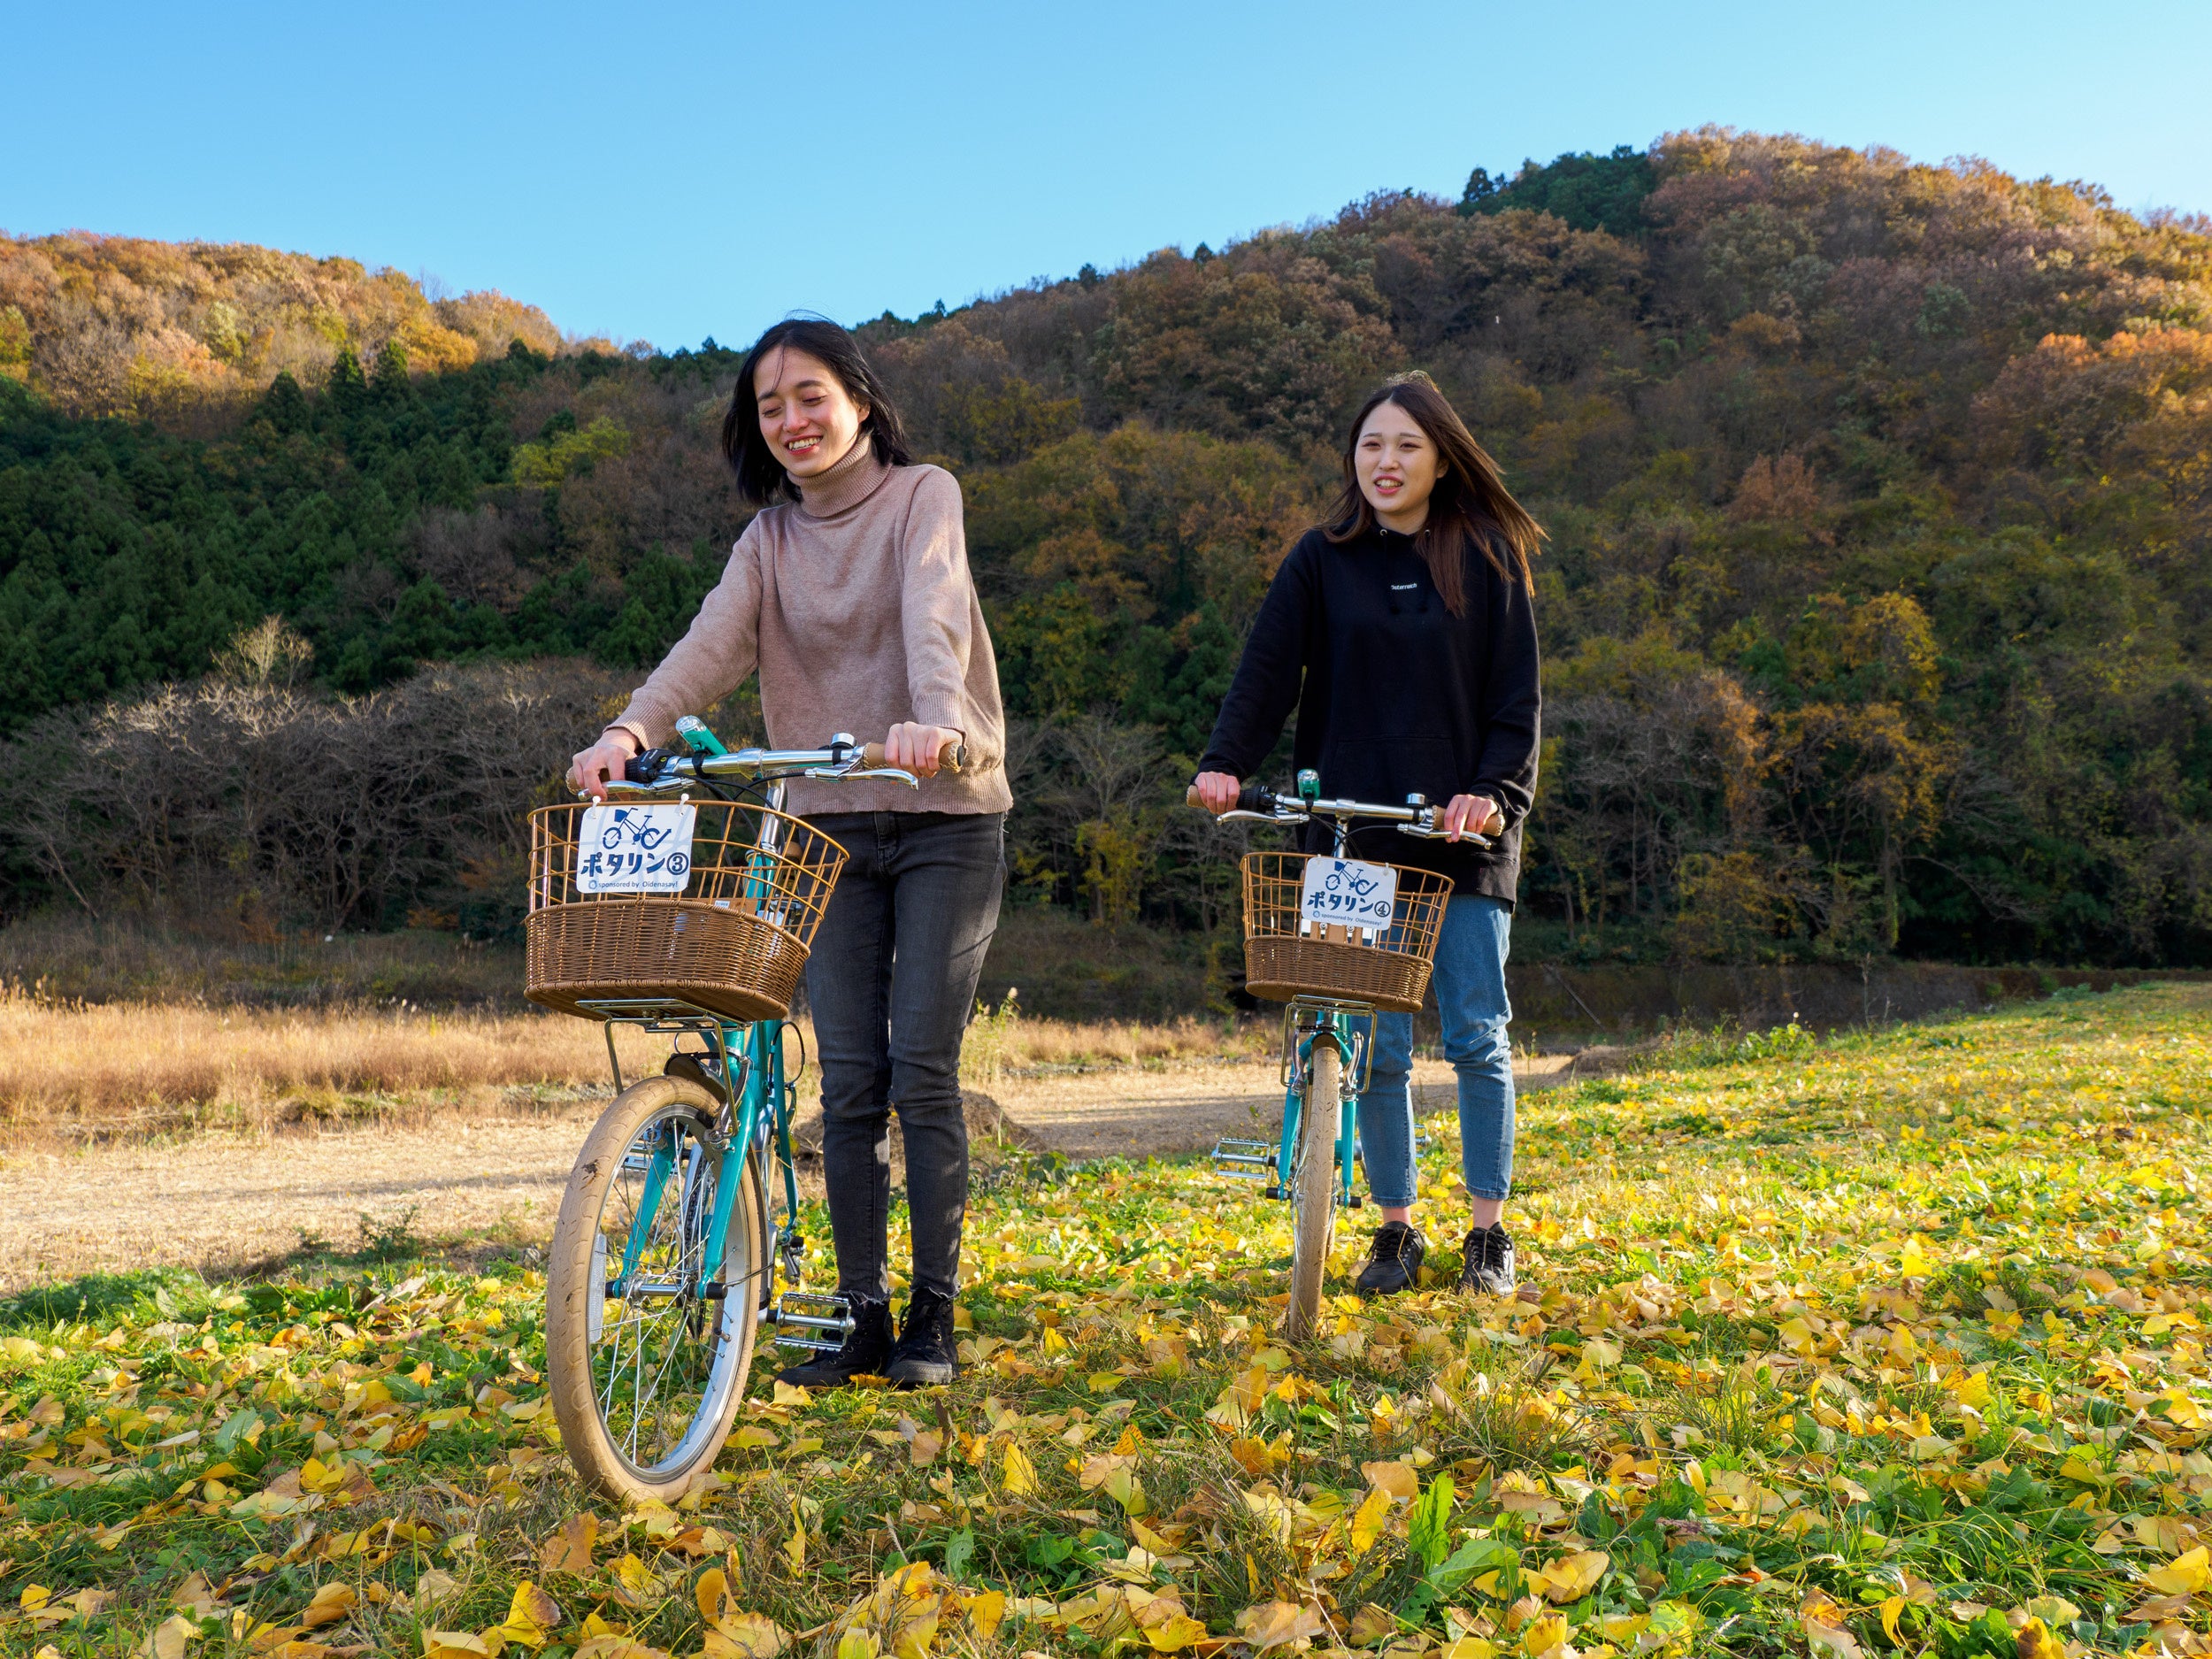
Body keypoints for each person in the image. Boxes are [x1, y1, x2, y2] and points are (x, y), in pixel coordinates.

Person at [567, 318, 1010, 1388]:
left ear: (858, 397)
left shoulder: (922, 495)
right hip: (826, 824)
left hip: (944, 810)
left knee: (922, 1071)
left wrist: (934, 721)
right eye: (770, 408)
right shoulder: (767, 542)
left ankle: (932, 1315)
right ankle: (860, 1316)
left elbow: (932, 610)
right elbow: (710, 643)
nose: (792, 421)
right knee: (850, 1079)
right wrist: (632, 731)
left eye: (809, 396)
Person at [1192, 371, 1541, 1299]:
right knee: (1377, 1047)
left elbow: (1516, 704)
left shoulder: (1488, 554)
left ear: (1440, 460)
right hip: (1353, 837)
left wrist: (1492, 795)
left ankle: (1487, 1234)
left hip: (1458, 836)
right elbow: (1264, 674)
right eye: (1371, 445)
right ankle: (1394, 1230)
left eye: (1407, 447)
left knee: (1474, 1034)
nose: (1385, 463)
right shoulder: (1321, 558)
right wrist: (1224, 761)